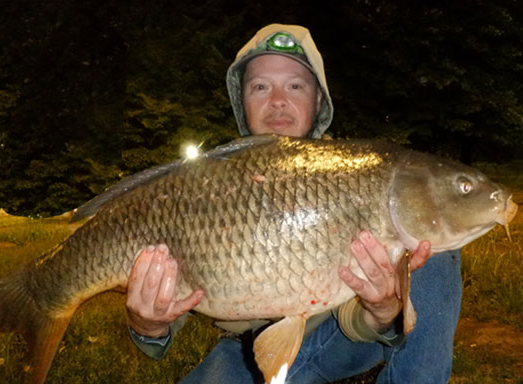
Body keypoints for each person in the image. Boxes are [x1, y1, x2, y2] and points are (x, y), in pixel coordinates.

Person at [125, 24, 461, 383]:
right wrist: (147, 324)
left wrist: (381, 311)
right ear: (243, 103)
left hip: (339, 336)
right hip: (248, 348)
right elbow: (159, 331)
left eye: (295, 85)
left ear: (319, 100)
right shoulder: (207, 187)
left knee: (434, 250)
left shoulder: (361, 177)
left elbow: (356, 319)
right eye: (260, 87)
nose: (278, 101)